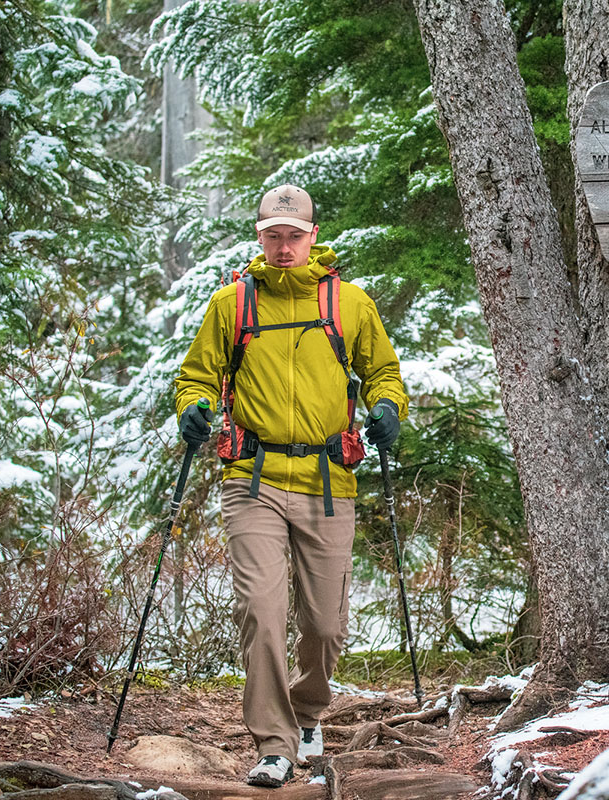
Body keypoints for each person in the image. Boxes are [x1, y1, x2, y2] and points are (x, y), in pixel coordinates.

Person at [174, 184, 408, 787]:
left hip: (327, 480)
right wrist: (194, 407)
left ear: (312, 236)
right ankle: (274, 744)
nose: (283, 247)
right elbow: (197, 375)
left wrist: (386, 407)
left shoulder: (349, 303)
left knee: (326, 624)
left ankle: (307, 712)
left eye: (294, 236)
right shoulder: (232, 304)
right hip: (251, 479)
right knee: (262, 609)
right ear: (260, 237)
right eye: (273, 236)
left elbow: (382, 371)